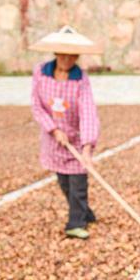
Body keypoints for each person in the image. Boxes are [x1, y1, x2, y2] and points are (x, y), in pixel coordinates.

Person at [29, 25, 103, 239]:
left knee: (78, 183)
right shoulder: (41, 73)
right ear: (57, 53)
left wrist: (88, 147)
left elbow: (88, 110)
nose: (68, 60)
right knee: (64, 182)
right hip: (54, 140)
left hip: (76, 138)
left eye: (73, 56)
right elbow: (37, 106)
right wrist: (53, 129)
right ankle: (85, 212)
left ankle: (75, 223)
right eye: (64, 55)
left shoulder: (80, 78)